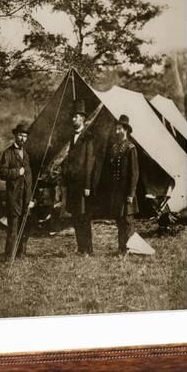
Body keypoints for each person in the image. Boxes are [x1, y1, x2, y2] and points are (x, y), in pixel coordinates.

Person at [61, 100, 95, 256]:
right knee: (75, 216)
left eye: (76, 116)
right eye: (72, 117)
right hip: (73, 185)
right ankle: (81, 248)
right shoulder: (71, 136)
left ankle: (88, 249)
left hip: (83, 186)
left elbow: (89, 163)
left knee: (84, 217)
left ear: (82, 118)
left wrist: (87, 185)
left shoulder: (88, 137)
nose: (73, 119)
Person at [103, 114, 139, 255]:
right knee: (119, 221)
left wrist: (131, 194)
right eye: (116, 129)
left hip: (126, 193)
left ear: (125, 130)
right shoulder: (115, 147)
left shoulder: (131, 148)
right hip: (117, 192)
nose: (116, 132)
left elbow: (134, 173)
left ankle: (129, 249)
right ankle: (121, 248)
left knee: (128, 221)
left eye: (119, 129)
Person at [0, 123, 34, 261]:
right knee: (13, 227)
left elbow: (29, 178)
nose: (23, 138)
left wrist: (30, 198)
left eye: (25, 136)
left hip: (25, 197)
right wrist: (17, 172)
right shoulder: (7, 153)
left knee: (25, 226)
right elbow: (2, 173)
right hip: (13, 197)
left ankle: (21, 253)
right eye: (20, 135)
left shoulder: (26, 154)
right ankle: (9, 256)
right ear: (15, 136)